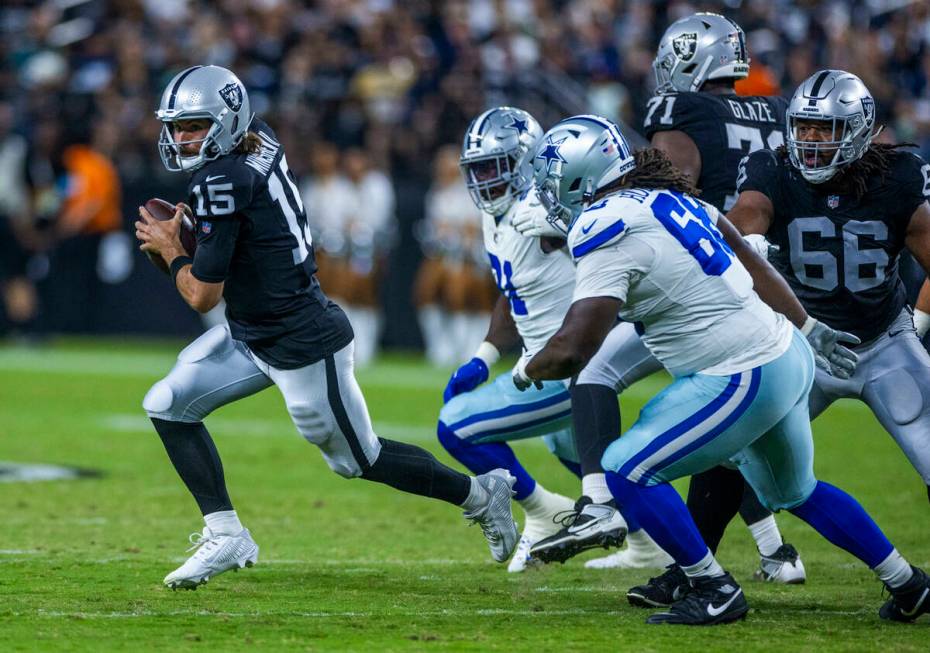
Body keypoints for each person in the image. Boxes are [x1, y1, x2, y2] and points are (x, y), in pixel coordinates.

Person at [513, 114, 930, 625]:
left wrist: (528, 367)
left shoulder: (604, 224)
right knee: (794, 490)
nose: (548, 194)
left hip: (740, 373)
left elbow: (577, 349)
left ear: (580, 177)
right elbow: (749, 257)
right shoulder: (668, 195)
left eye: (553, 181)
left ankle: (713, 587)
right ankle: (907, 582)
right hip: (784, 352)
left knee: (624, 466)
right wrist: (805, 323)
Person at [134, 65, 519, 590]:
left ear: (226, 122)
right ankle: (225, 532)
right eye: (177, 127)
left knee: (359, 459)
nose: (181, 138)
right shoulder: (257, 138)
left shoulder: (224, 178)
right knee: (168, 403)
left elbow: (203, 293)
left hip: (301, 338)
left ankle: (480, 494)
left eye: (194, 126)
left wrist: (173, 249)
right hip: (252, 331)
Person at [522, 12, 804, 577]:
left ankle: (600, 503)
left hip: (703, 281)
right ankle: (774, 551)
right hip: (771, 281)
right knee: (738, 433)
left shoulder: (682, 111)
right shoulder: (776, 109)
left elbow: (666, 187)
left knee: (599, 372)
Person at [731, 70, 930, 510]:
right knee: (729, 447)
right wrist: (746, 242)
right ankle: (701, 571)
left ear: (858, 131)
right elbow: (749, 213)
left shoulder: (899, 176)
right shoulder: (773, 167)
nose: (812, 139)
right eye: (803, 126)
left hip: (883, 342)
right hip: (802, 341)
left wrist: (919, 323)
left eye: (826, 128)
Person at [438, 106, 626, 572]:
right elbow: (512, 292)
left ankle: (541, 510)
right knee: (578, 454)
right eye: (475, 169)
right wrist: (484, 355)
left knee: (457, 426)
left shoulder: (542, 209)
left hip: (565, 365)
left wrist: (568, 227)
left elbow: (602, 230)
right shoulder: (494, 215)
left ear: (523, 162)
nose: (482, 179)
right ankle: (648, 543)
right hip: (539, 357)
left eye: (492, 166)